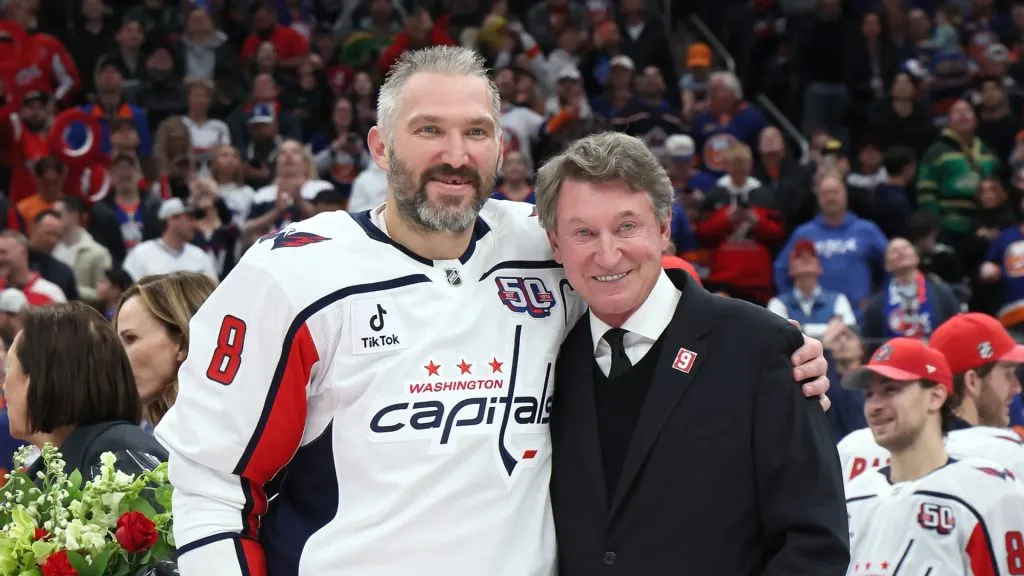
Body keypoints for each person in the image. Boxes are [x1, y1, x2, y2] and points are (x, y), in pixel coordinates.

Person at [154, 46, 832, 576]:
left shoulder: (541, 243)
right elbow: (213, 481)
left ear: (500, 148)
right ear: (380, 147)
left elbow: (638, 271)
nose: (456, 155)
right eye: (430, 131)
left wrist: (778, 345)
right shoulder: (291, 276)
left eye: (476, 131)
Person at [537, 131, 849, 574]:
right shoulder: (548, 359)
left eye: (627, 226)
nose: (607, 255)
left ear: (664, 228)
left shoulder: (762, 348)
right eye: (583, 233)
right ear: (555, 245)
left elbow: (816, 544)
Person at [842, 337, 1024, 574]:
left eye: (890, 390)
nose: (874, 406)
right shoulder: (854, 495)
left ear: (936, 396)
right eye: (869, 395)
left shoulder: (986, 491)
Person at [838, 312, 1024, 483]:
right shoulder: (1005, 453)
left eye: (891, 391)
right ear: (972, 382)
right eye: (1007, 374)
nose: (1016, 387)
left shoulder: (851, 447)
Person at [2, 302, 167, 482]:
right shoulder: (43, 472)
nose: (4, 384)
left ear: (43, 377)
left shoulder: (120, 454)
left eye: (9, 368)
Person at [115, 272, 218, 427]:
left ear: (182, 344)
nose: (116, 357)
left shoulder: (216, 433)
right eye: (118, 343)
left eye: (131, 338)